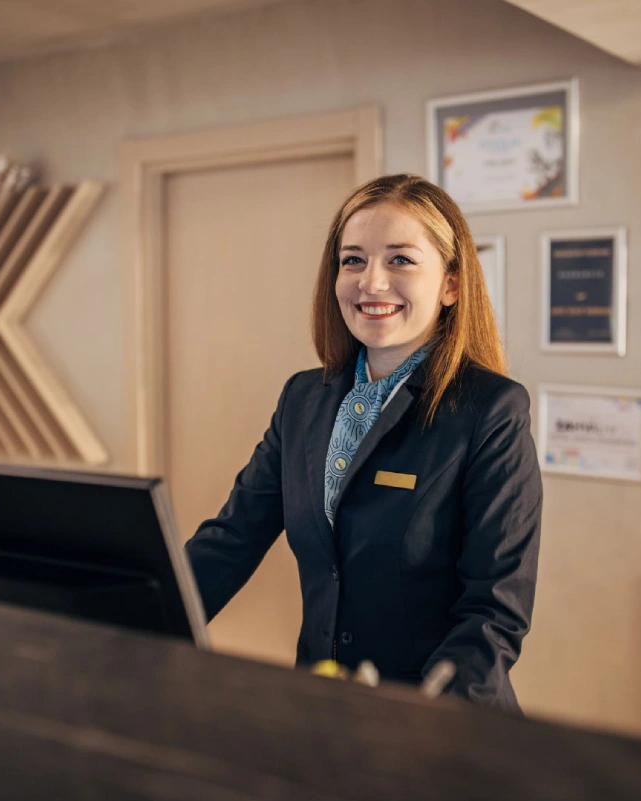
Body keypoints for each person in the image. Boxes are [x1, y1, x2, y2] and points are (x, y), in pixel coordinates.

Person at [185, 173, 542, 712]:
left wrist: (426, 720)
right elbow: (230, 540)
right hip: (323, 709)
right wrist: (132, 624)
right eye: (353, 260)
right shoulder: (303, 398)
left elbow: (494, 611)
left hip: (441, 724)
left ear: (451, 284)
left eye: (400, 259)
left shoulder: (490, 410)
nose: (370, 283)